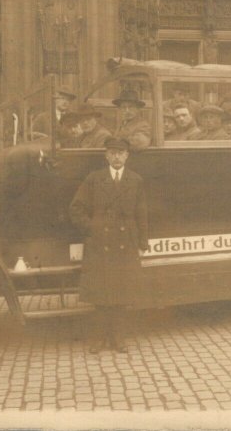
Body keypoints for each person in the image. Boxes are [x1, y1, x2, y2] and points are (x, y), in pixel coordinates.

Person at [69, 137, 149, 353]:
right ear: (106, 155)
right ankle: (98, 339)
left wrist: (143, 241)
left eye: (120, 153)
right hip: (100, 243)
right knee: (101, 296)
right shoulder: (94, 179)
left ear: (127, 156)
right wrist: (92, 228)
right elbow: (76, 209)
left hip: (125, 243)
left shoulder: (135, 180)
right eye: (112, 153)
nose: (116, 157)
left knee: (122, 295)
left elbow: (142, 213)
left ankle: (118, 339)